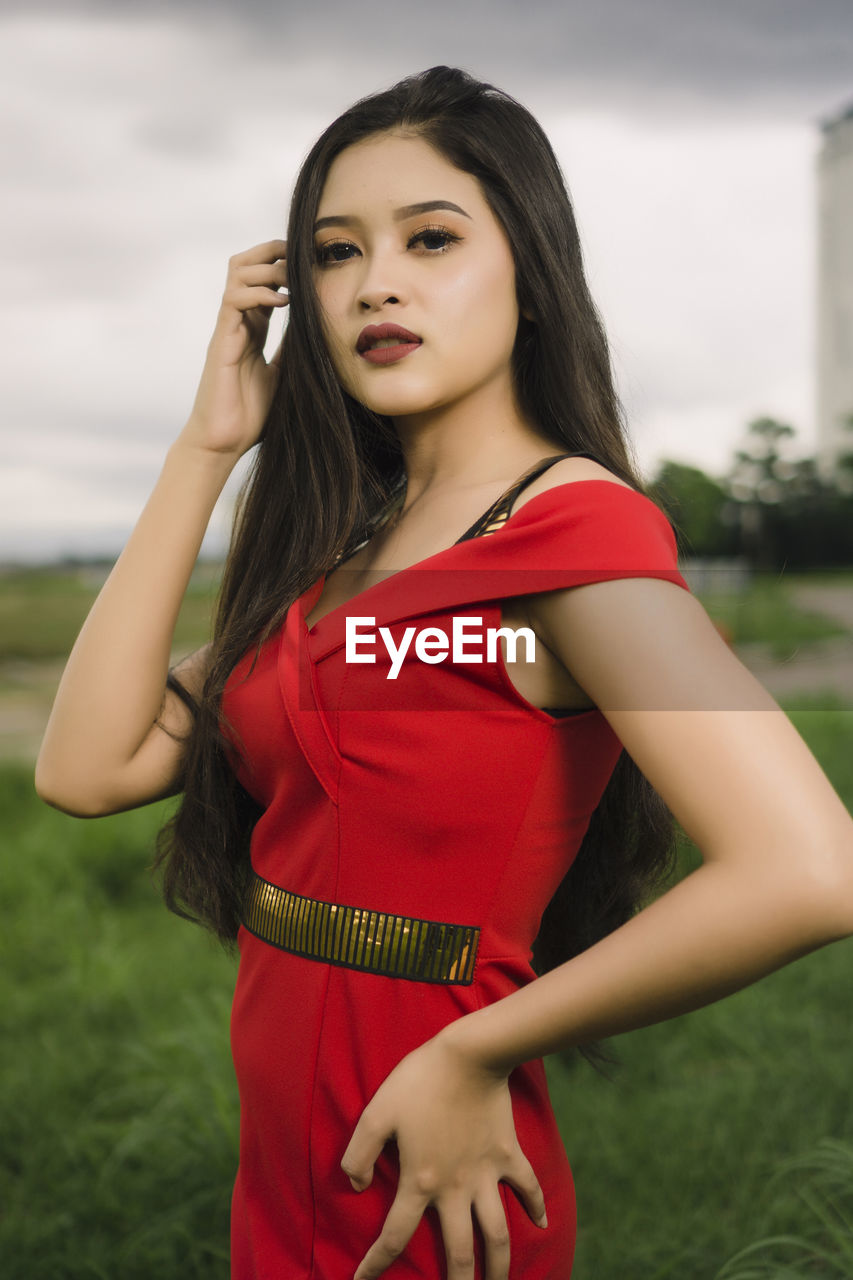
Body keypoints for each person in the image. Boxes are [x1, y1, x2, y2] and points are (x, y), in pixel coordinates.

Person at [35, 66, 853, 1280]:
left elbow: (809, 868)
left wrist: (473, 1052)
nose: (376, 282)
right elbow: (88, 764)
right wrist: (205, 446)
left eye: (431, 238)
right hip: (286, 1147)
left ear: (529, 273)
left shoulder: (565, 540)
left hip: (432, 1161)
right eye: (333, 251)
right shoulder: (340, 561)